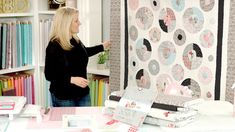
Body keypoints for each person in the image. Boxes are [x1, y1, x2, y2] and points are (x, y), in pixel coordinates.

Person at [44, 6, 110, 107]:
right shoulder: (54, 45)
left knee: (86, 122)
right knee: (67, 123)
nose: (80, 23)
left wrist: (102, 47)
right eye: (76, 21)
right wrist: (71, 79)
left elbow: (83, 53)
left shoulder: (75, 40)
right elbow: (49, 74)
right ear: (66, 24)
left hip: (83, 93)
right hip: (64, 97)